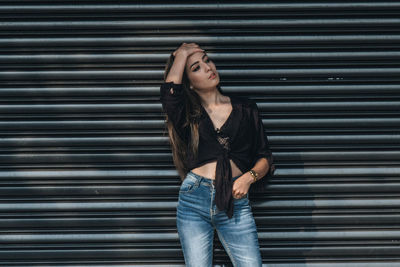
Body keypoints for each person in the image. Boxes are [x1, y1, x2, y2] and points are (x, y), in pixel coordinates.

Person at [159, 42, 275, 267]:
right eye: (196, 68)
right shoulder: (188, 115)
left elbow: (265, 157)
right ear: (189, 84)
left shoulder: (246, 108)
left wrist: (248, 177)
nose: (208, 67)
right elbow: (170, 94)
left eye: (207, 60)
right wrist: (181, 53)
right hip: (194, 200)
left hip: (236, 201)